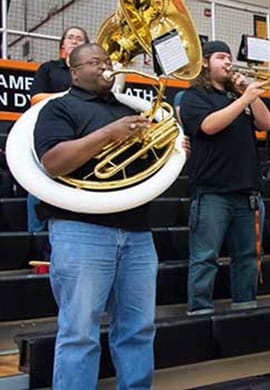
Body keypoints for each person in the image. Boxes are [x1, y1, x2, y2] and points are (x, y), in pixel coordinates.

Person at [34, 43, 159, 389]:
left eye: (108, 61)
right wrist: (108, 134)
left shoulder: (128, 108)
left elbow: (152, 168)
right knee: (79, 332)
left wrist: (173, 150)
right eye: (95, 62)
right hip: (81, 230)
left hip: (137, 231)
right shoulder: (58, 109)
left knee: (139, 329)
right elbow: (54, 162)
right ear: (74, 71)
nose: (106, 66)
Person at [179, 40, 270, 314]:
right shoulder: (194, 97)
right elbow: (208, 126)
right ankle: (199, 312)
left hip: (247, 192)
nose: (228, 62)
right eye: (221, 57)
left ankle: (245, 310)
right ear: (206, 63)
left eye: (230, 57)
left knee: (247, 258)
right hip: (211, 191)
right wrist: (244, 99)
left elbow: (266, 124)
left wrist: (247, 94)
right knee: (205, 257)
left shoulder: (238, 96)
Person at [28, 26, 89, 233]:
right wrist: (70, 98)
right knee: (38, 181)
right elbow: (35, 98)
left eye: (79, 39)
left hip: (80, 133)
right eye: (70, 37)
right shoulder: (48, 68)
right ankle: (36, 235)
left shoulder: (90, 74)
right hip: (50, 131)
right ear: (62, 43)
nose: (74, 41)